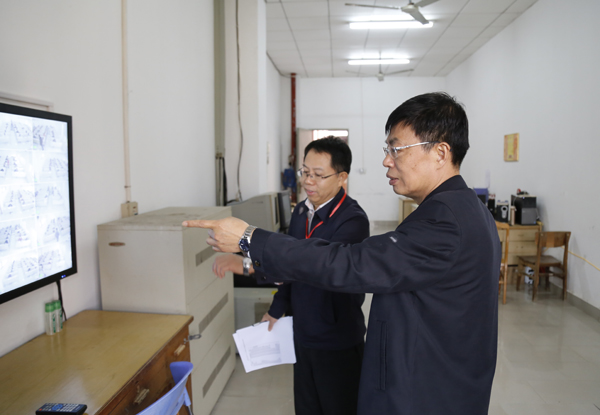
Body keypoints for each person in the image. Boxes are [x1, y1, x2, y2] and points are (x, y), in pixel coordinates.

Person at [183, 92, 501, 415]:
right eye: (387, 150)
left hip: (426, 393)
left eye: (396, 149)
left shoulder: (443, 221)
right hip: (418, 376)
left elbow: (350, 263)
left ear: (440, 153)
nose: (386, 160)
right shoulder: (463, 210)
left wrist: (250, 238)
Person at [212, 137, 370, 415]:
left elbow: (312, 267)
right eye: (305, 172)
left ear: (342, 177)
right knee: (307, 405)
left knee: (339, 406)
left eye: (318, 175)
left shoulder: (353, 221)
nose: (308, 181)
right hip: (303, 330)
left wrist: (248, 265)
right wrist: (277, 309)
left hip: (337, 337)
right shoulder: (301, 212)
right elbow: (290, 271)